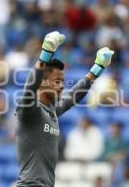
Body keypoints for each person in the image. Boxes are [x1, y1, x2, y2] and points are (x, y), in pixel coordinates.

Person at [15, 31, 114, 186]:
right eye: (57, 81)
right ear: (43, 82)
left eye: (62, 81)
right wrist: (45, 54)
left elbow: (73, 96)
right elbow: (29, 88)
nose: (62, 86)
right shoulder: (30, 111)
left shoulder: (52, 111)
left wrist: (98, 68)